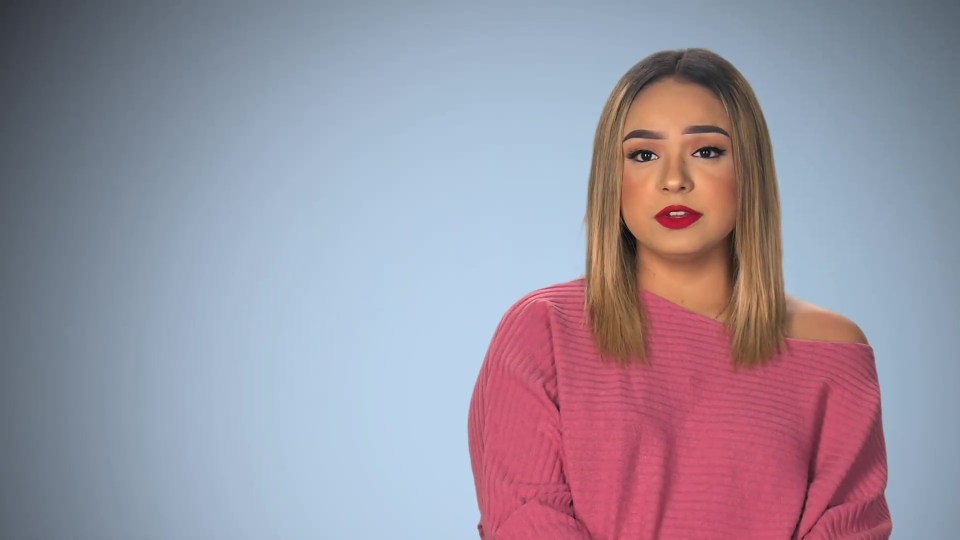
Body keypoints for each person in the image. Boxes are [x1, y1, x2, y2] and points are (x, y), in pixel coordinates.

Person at [466, 48, 892, 539]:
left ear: (748, 169)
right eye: (643, 155)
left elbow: (848, 528)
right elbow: (526, 518)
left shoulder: (832, 350)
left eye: (706, 151)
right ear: (614, 178)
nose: (674, 180)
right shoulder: (543, 330)